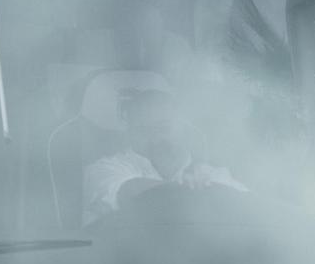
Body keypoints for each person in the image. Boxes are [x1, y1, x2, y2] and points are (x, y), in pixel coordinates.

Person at [83, 87, 244, 225]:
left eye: (163, 128)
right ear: (129, 133)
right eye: (143, 131)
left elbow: (248, 207)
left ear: (182, 129)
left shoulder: (210, 174)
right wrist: (186, 190)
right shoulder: (104, 170)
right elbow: (128, 191)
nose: (155, 139)